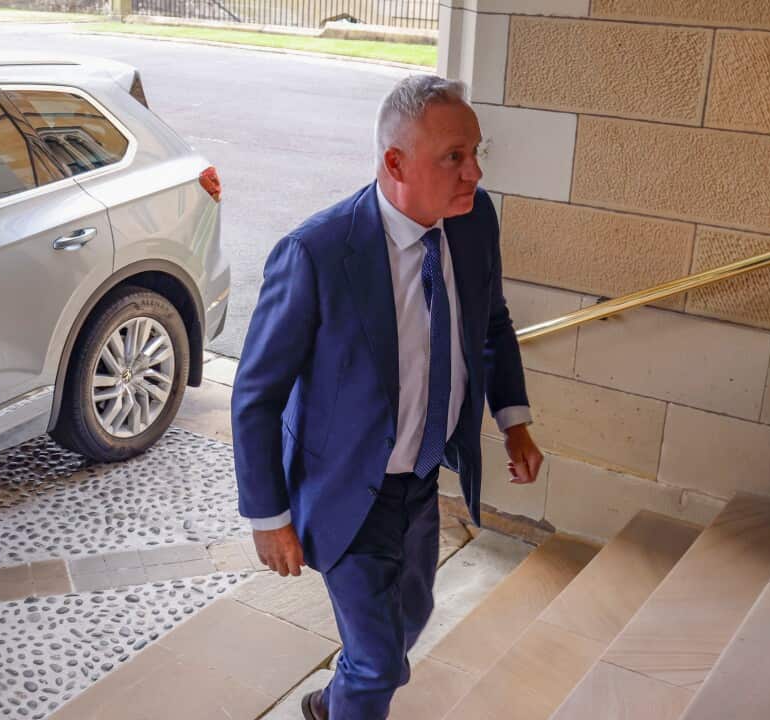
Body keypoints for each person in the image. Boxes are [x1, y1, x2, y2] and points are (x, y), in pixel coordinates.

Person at [231, 74, 544, 720]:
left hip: (422, 481)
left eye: (476, 152)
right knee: (379, 662)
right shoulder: (317, 254)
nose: (474, 172)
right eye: (453, 157)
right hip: (347, 486)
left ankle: (333, 703)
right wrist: (268, 516)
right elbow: (257, 394)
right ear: (395, 163)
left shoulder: (473, 221)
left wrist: (513, 421)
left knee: (408, 623)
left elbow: (491, 322)